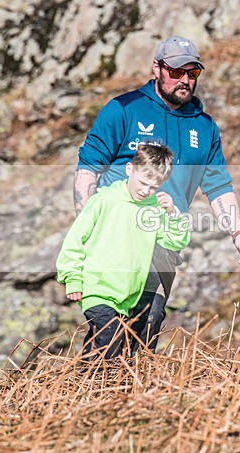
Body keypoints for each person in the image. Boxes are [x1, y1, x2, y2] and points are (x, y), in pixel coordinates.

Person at [73, 35, 240, 352]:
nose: (185, 80)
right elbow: (88, 168)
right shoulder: (123, 109)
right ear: (156, 68)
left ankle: (127, 384)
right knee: (109, 328)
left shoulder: (205, 127)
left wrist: (239, 234)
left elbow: (218, 187)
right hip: (116, 238)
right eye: (176, 71)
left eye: (192, 73)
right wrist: (87, 225)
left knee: (148, 322)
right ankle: (94, 382)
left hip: (162, 242)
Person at [57, 142, 190, 359]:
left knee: (104, 345)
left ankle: (83, 376)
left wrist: (173, 214)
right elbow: (75, 240)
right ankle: (99, 378)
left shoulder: (154, 209)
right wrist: (72, 278)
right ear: (129, 169)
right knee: (110, 340)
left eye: (154, 187)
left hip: (128, 295)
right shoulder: (104, 199)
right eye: (143, 183)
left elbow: (174, 242)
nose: (146, 191)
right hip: (97, 289)